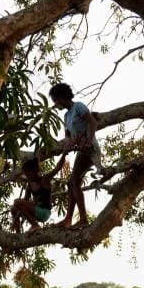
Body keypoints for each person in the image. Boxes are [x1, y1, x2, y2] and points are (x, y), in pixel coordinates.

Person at [49, 83, 99, 228]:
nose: (55, 103)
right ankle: (68, 220)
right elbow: (68, 137)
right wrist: (66, 148)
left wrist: (88, 142)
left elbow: (93, 123)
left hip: (90, 149)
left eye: (56, 100)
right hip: (81, 151)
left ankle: (82, 219)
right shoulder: (66, 116)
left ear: (62, 97)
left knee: (73, 182)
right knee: (72, 183)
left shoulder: (78, 106)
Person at [10, 155, 64, 232]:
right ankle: (18, 232)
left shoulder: (44, 180)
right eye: (27, 175)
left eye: (29, 175)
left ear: (35, 172)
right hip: (35, 211)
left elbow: (57, 168)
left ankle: (35, 225)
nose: (28, 177)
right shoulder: (30, 185)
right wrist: (16, 219)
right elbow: (23, 203)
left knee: (16, 201)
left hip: (44, 213)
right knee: (13, 208)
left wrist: (64, 154)